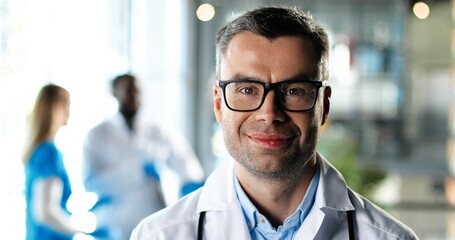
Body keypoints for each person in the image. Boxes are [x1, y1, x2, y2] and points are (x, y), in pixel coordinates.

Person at [130, 6, 420, 240]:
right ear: (219, 104)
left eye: (294, 91)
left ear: (324, 106)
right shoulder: (158, 235)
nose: (269, 113)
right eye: (247, 90)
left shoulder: (390, 238)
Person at [82, 74, 205, 240]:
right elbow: (91, 183)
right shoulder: (97, 135)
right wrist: (137, 171)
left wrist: (192, 187)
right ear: (114, 93)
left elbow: (188, 169)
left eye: (137, 90)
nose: (133, 95)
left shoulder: (160, 132)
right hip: (114, 225)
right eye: (127, 90)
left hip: (154, 222)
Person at [23, 84, 109, 240]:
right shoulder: (49, 153)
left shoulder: (38, 151)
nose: (69, 111)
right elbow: (45, 212)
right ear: (56, 107)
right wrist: (82, 231)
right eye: (67, 105)